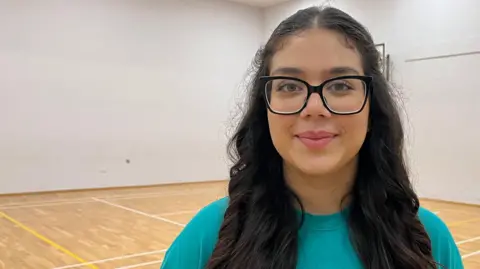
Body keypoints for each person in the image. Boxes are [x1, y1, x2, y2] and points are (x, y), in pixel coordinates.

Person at [160, 6, 463, 269]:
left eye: (341, 85)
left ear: (373, 108)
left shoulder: (428, 241)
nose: (314, 108)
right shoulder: (208, 238)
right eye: (289, 86)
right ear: (265, 108)